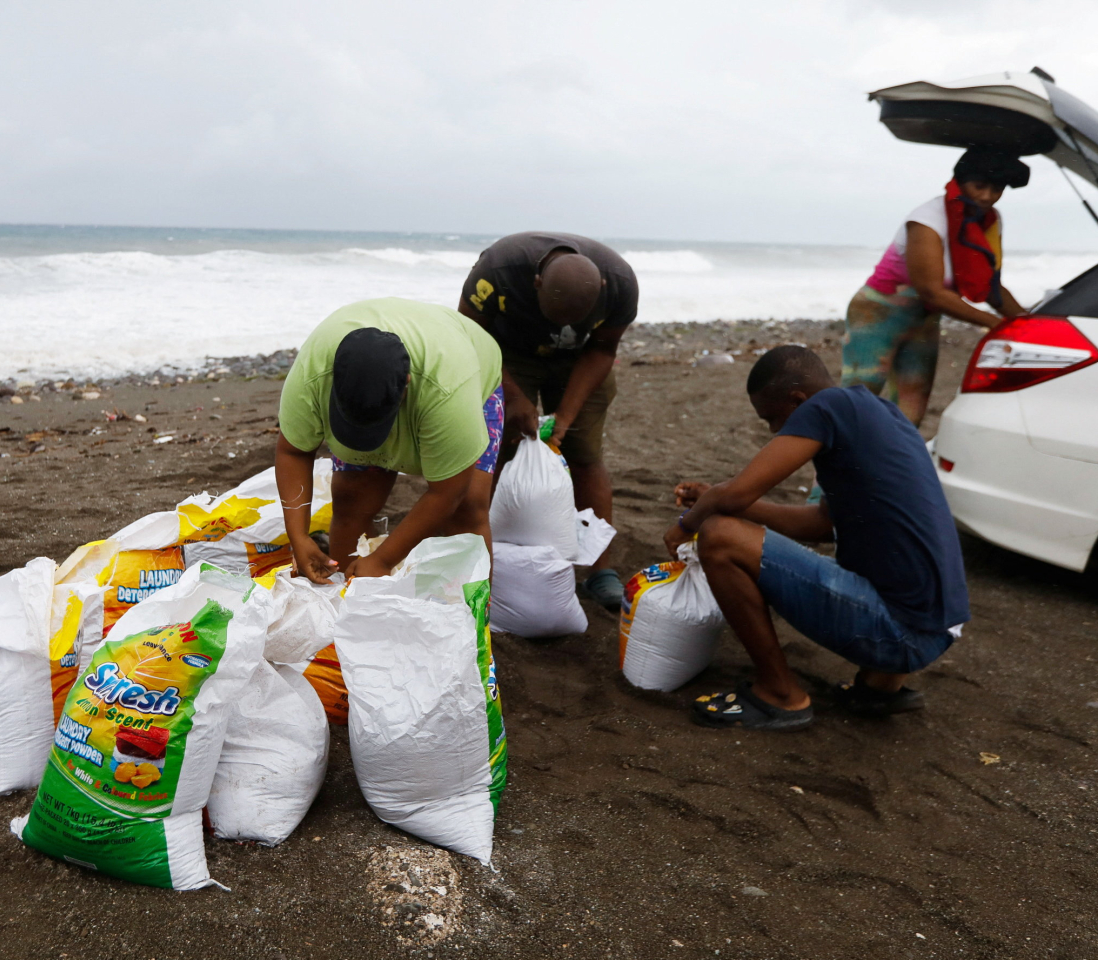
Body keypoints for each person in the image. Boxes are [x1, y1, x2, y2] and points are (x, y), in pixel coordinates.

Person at [664, 345, 969, 731]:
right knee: (731, 523)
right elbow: (823, 525)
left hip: (901, 632)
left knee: (718, 536)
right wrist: (717, 497)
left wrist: (687, 523)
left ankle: (779, 694)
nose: (776, 431)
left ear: (798, 400)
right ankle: (879, 687)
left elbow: (737, 493)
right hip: (936, 624)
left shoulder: (825, 409)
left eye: (773, 418)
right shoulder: (878, 411)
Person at [458, 232, 639, 610]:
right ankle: (485, 556)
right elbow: (469, 338)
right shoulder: (498, 271)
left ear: (601, 288)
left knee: (584, 453)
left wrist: (565, 419)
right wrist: (514, 396)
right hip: (506, 354)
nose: (563, 327)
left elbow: (604, 348)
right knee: (498, 450)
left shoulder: (620, 284)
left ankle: (598, 569)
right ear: (536, 283)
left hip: (582, 359)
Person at [275, 297, 503, 582]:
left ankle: (472, 618)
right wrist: (298, 536)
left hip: (469, 368)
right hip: (393, 369)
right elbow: (293, 452)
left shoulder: (447, 390)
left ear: (406, 385)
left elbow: (448, 492)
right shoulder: (312, 375)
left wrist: (383, 559)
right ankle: (347, 605)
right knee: (351, 499)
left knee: (468, 507)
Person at [844, 146, 1030, 426]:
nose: (986, 197)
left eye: (997, 189)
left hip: (924, 320)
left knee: (911, 409)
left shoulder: (990, 220)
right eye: (979, 186)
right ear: (960, 182)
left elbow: (992, 285)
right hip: (877, 315)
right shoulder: (927, 220)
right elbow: (931, 292)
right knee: (857, 400)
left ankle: (891, 468)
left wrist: (1028, 323)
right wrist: (997, 325)